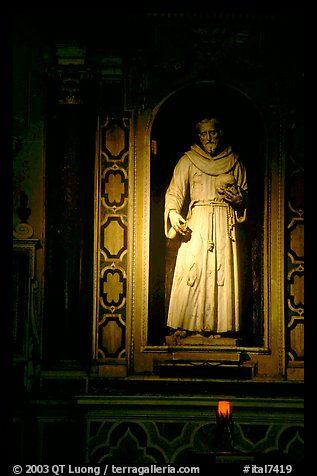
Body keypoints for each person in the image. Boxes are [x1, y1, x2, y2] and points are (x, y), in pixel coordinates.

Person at [164, 116, 248, 339]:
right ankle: (186, 325)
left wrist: (239, 201)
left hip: (223, 223)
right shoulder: (188, 161)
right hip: (197, 223)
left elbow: (245, 197)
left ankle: (220, 327)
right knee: (193, 272)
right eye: (204, 134)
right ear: (199, 136)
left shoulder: (234, 161)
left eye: (213, 132)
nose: (209, 138)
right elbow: (174, 193)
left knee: (221, 272)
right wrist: (173, 214)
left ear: (220, 133)